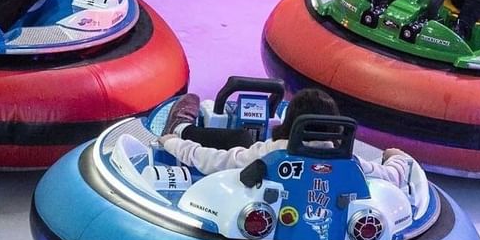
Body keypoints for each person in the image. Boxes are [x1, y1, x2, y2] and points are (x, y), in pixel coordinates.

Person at [159, 88, 414, 187]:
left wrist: (174, 143)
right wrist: (397, 157)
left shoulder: (273, 152)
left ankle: (181, 127)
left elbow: (212, 161)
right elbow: (394, 175)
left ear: (290, 121)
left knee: (241, 141)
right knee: (244, 141)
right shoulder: (350, 162)